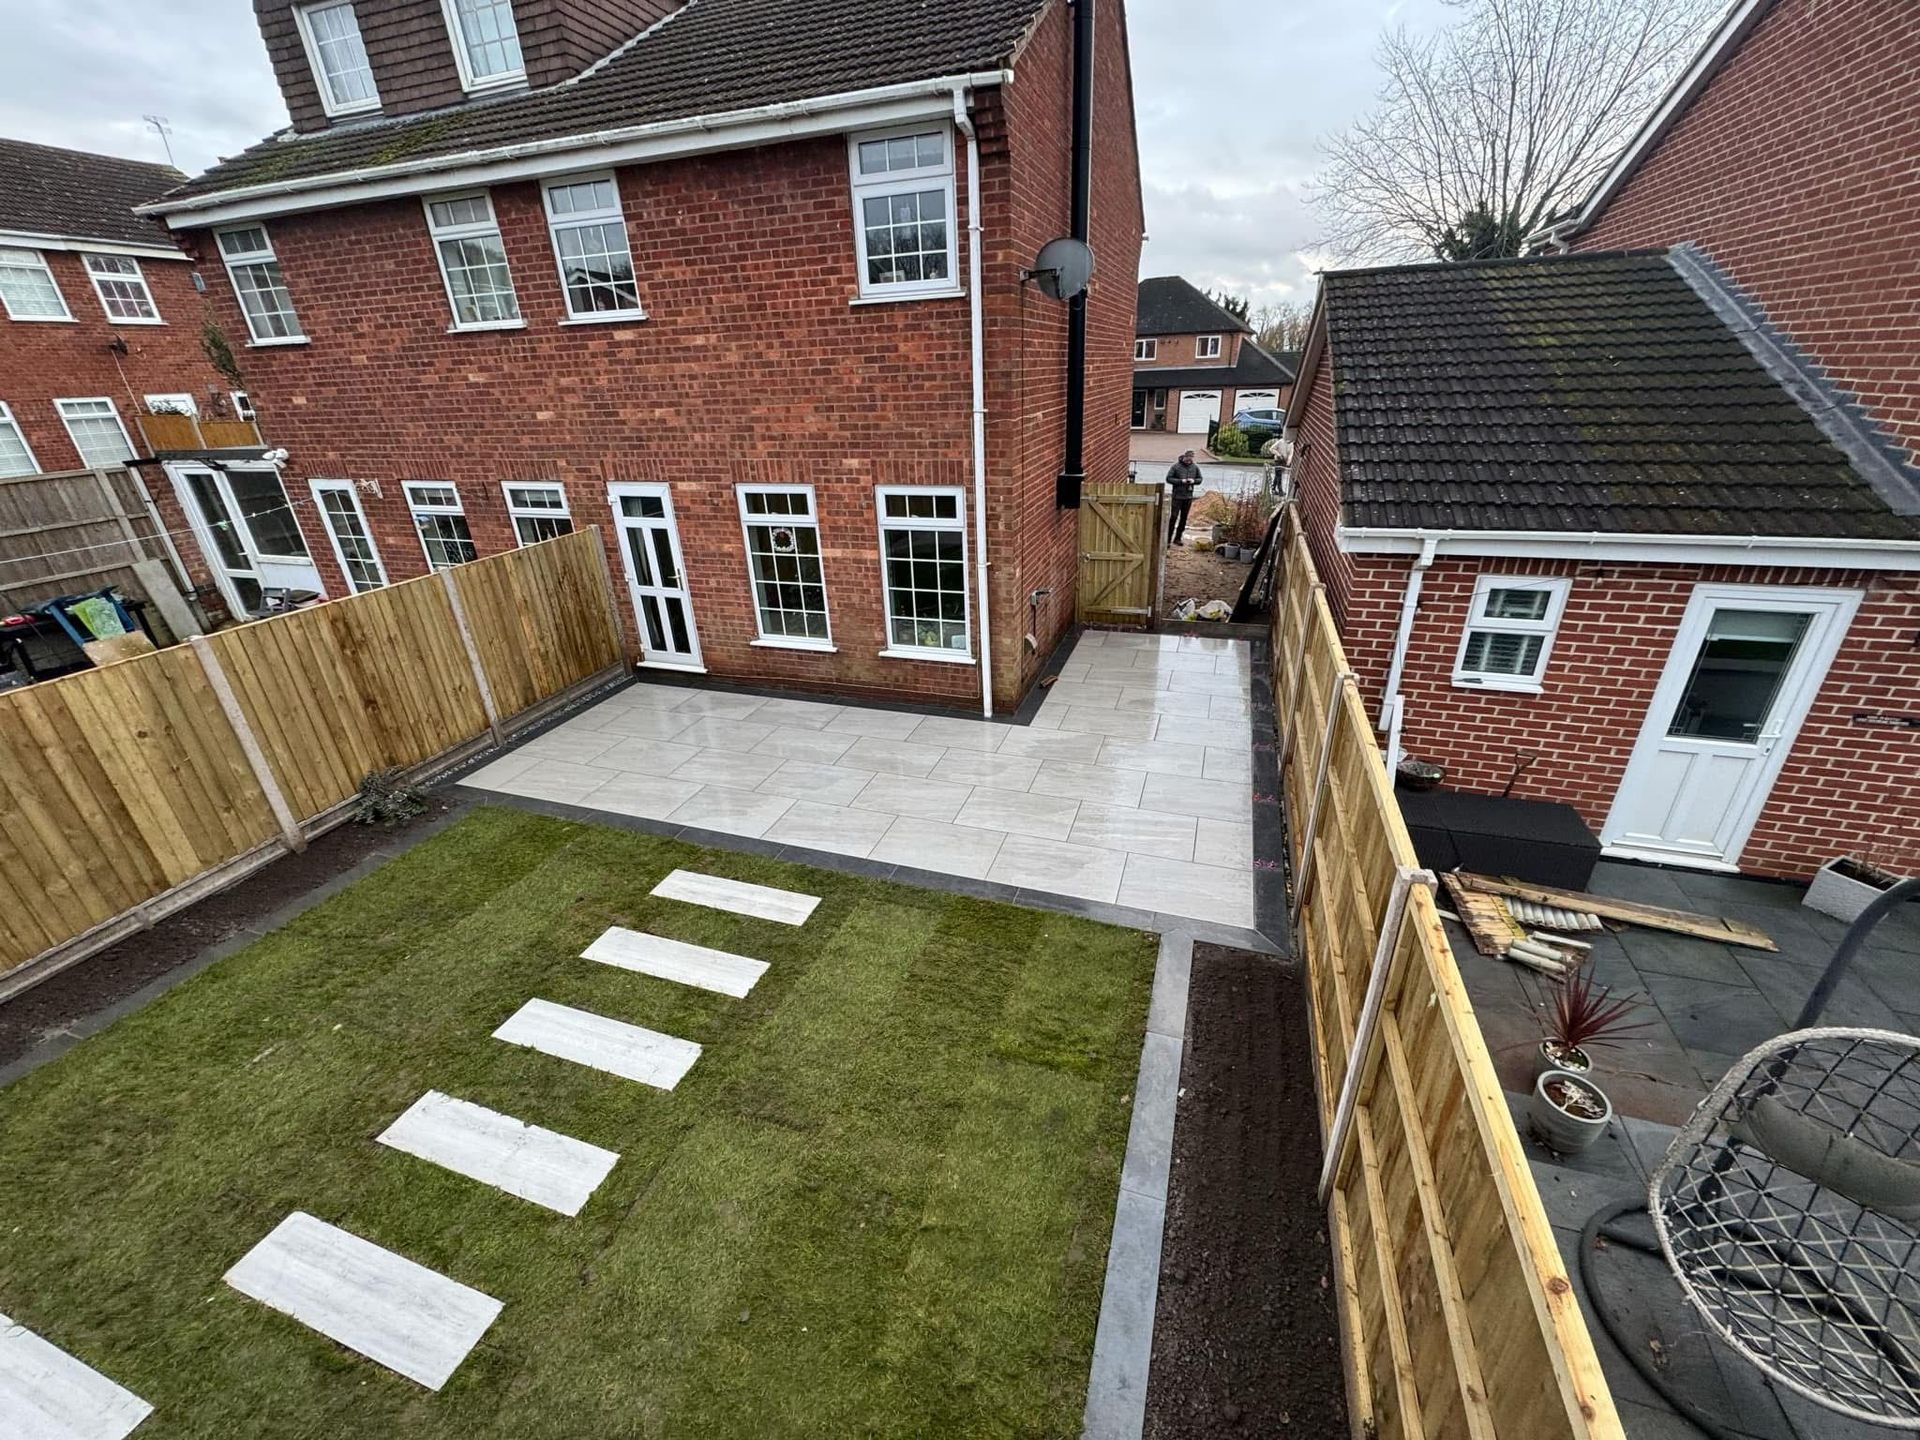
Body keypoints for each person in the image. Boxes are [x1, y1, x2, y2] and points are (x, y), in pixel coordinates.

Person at [1164, 450, 1202, 545]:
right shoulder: (1176, 467)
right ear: (1184, 457)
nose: (1189, 461)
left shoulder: (1195, 467)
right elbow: (1168, 478)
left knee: (1184, 518)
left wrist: (1193, 481)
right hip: (1177, 496)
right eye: (1187, 460)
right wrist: (1181, 481)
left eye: (1191, 460)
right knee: (1173, 517)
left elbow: (1200, 479)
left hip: (1188, 497)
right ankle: (1168, 539)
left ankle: (1178, 538)